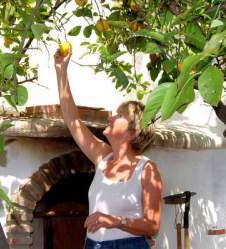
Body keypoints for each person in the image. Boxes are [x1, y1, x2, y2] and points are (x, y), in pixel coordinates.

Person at [54, 48, 162, 249]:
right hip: (94, 244)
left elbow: (152, 225)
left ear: (133, 133)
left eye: (119, 116)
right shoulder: (103, 157)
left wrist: (114, 220)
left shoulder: (147, 169)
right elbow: (73, 120)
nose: (110, 117)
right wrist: (61, 70)